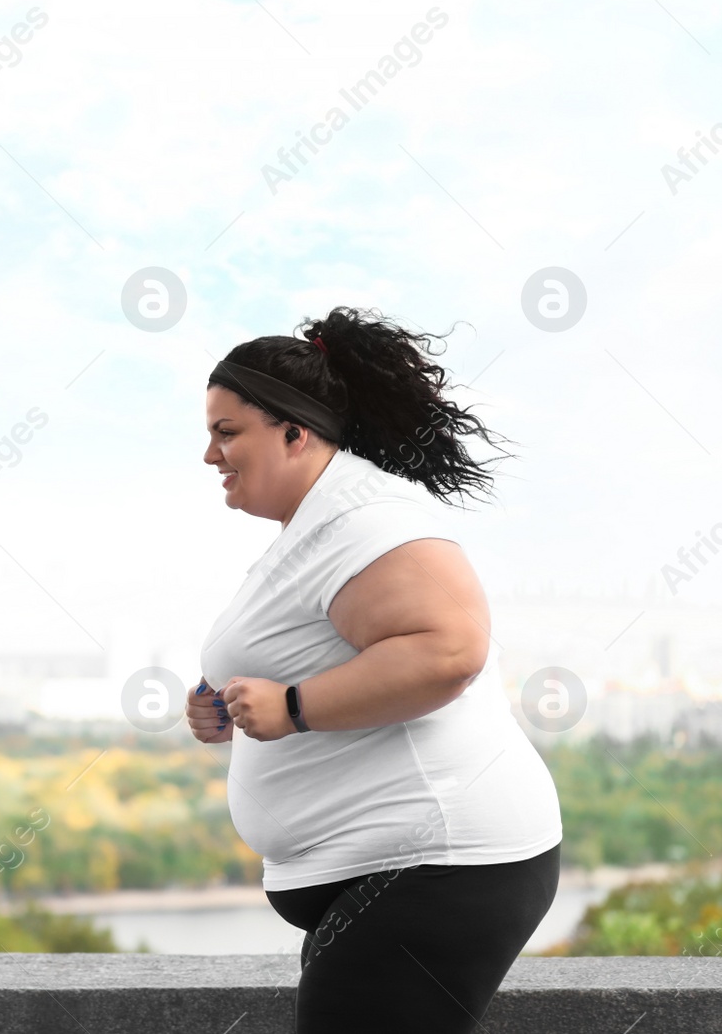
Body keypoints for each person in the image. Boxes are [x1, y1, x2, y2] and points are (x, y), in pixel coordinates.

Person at [186, 307, 563, 1034]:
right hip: (405, 867)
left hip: (442, 862)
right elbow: (331, 652)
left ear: (295, 432)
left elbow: (448, 649)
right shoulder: (323, 523)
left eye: (226, 432)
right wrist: (225, 702)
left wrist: (293, 705)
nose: (210, 455)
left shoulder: (364, 517)